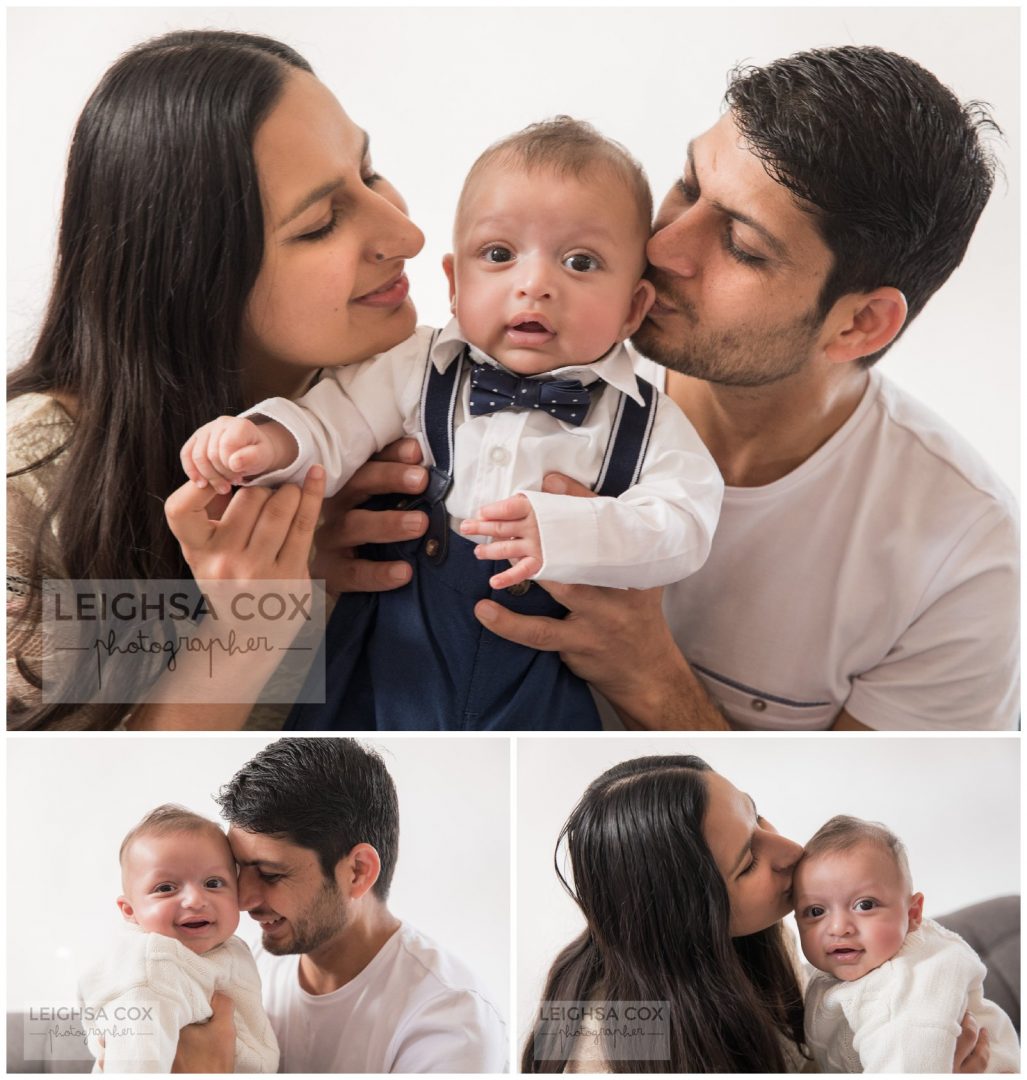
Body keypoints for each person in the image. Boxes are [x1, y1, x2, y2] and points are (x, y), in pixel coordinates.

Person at [338, 45, 1017, 730]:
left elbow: (826, 799)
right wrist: (308, 581)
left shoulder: (961, 563)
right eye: (688, 187)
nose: (662, 248)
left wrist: (654, 679)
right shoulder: (461, 369)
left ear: (859, 324)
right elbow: (253, 683)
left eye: (742, 245)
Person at [182, 118, 722, 730]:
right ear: (455, 284)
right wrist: (267, 440)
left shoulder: (648, 422)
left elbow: (685, 524)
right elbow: (333, 421)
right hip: (394, 650)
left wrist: (579, 532)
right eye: (499, 255)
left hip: (539, 671)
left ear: (632, 308)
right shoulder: (416, 364)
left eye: (580, 262)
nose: (534, 285)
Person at [6, 29, 426, 729]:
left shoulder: (400, 390)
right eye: (322, 222)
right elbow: (79, 781)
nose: (406, 235)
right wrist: (250, 626)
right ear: (195, 278)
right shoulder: (31, 486)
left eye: (370, 170)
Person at [523, 755, 992, 1073]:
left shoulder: (765, 939)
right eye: (747, 862)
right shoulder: (612, 1040)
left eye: (758, 816)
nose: (792, 850)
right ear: (685, 914)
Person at [179, 738, 506, 1073]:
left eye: (270, 874)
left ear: (358, 872)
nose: (244, 900)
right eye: (238, 869)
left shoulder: (451, 1023)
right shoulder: (250, 970)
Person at [793, 816, 1020, 1073]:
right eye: (815, 911)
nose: (838, 928)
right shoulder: (836, 974)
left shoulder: (910, 987)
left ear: (913, 914)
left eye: (865, 905)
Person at [79, 805, 279, 1073]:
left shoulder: (230, 949)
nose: (195, 900)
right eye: (165, 888)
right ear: (130, 911)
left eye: (213, 883)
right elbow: (136, 1059)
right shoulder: (151, 967)